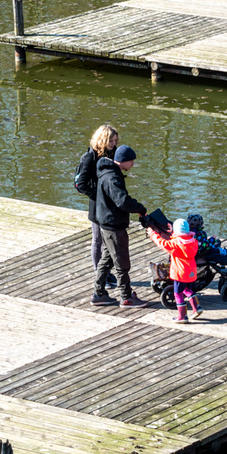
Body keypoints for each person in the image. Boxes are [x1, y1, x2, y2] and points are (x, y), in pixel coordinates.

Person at [92, 145, 148, 306]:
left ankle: (99, 293)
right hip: (114, 227)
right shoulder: (112, 178)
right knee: (122, 263)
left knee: (106, 260)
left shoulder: (107, 173)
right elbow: (122, 201)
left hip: (106, 224)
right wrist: (140, 208)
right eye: (131, 161)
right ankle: (127, 297)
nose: (133, 165)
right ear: (123, 161)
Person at [73, 124, 120, 283]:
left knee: (109, 240)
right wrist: (97, 195)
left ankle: (105, 271)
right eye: (110, 141)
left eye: (114, 141)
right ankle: (98, 273)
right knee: (98, 239)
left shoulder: (114, 153)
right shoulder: (90, 157)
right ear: (102, 140)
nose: (113, 144)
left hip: (111, 203)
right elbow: (80, 185)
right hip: (97, 203)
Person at [151, 217, 203, 322]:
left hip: (180, 273)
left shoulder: (176, 245)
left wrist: (152, 234)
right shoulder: (194, 242)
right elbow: (181, 239)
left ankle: (182, 316)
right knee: (187, 290)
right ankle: (197, 308)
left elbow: (162, 243)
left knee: (178, 293)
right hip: (191, 272)